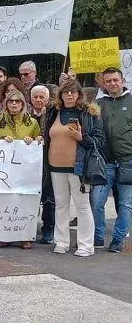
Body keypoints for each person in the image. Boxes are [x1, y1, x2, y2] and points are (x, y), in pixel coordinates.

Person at [43, 79, 102, 257]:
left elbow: (98, 141)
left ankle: (85, 245)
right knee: (61, 205)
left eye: (73, 92)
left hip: (79, 167)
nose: (69, 95)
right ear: (60, 95)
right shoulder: (54, 112)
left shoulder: (89, 113)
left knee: (82, 206)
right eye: (66, 92)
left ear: (79, 95)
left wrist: (80, 137)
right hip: (55, 166)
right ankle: (61, 242)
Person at [0, 90, 42, 248]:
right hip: (4, 170)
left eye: (18, 101)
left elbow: (39, 139)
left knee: (24, 201)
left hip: (25, 170)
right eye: (11, 101)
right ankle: (4, 235)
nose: (14, 104)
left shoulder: (32, 122)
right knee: (4, 201)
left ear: (23, 104)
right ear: (6, 104)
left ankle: (25, 235)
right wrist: (1, 139)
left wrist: (35, 139)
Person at [93, 67, 132, 253]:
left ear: (122, 80)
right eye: (108, 81)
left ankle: (117, 239)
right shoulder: (98, 104)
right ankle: (98, 236)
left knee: (125, 204)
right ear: (104, 84)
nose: (112, 84)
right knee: (97, 201)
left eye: (115, 80)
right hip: (104, 161)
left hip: (128, 161)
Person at [29, 84, 54, 244]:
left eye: (41, 97)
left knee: (49, 196)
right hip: (29, 162)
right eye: (35, 97)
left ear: (47, 98)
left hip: (49, 158)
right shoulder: (25, 115)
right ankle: (27, 228)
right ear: (31, 99)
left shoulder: (53, 114)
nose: (38, 100)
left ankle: (49, 229)